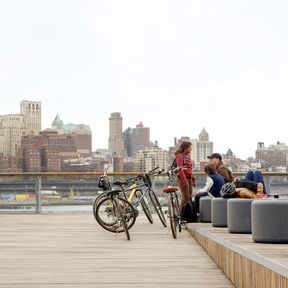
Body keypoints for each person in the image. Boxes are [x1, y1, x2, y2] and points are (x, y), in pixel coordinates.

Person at [175, 141, 196, 209]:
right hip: (182, 179)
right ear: (186, 148)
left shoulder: (188, 156)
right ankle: (180, 214)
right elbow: (180, 169)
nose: (191, 149)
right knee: (185, 197)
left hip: (189, 178)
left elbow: (189, 169)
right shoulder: (180, 156)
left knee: (189, 197)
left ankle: (188, 215)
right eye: (190, 147)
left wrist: (193, 179)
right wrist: (184, 181)